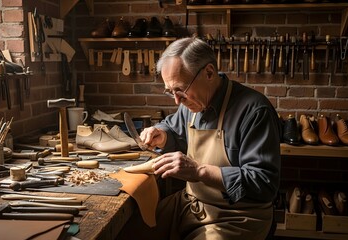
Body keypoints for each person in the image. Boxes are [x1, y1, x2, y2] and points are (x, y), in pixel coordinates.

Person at [119, 37, 281, 240]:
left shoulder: (254, 111)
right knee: (128, 232)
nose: (177, 100)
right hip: (191, 203)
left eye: (181, 90)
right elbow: (172, 127)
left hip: (238, 216)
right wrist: (161, 134)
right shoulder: (191, 103)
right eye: (171, 92)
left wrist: (198, 171)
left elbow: (264, 184)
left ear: (209, 73)